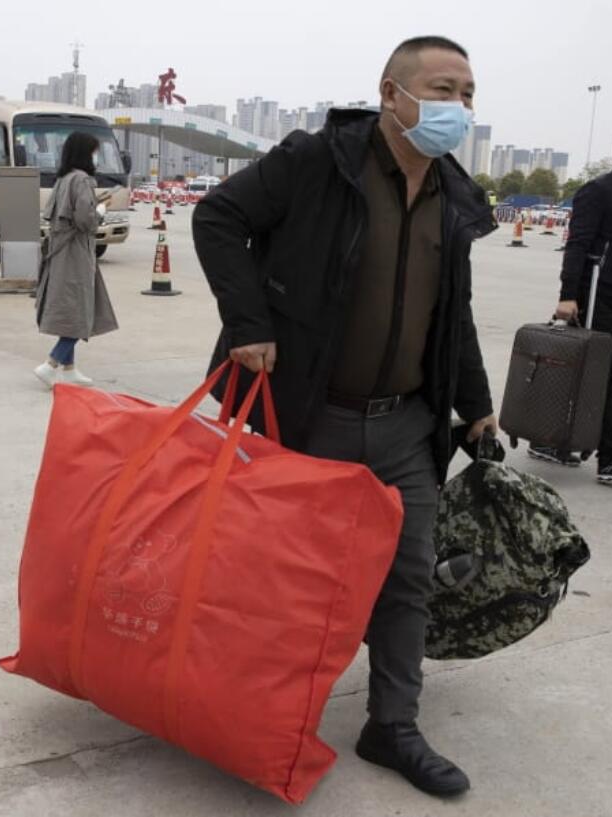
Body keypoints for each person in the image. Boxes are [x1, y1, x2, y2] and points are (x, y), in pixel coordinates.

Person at [193, 36, 497, 797]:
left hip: (405, 423)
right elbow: (218, 217)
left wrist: (477, 404)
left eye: (467, 91)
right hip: (310, 414)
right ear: (392, 94)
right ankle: (262, 718)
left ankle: (391, 724)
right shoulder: (318, 161)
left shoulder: (454, 195)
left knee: (408, 575)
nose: (456, 105)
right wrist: (247, 323)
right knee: (290, 578)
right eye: (441, 87)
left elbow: (449, 312)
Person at [530, 123, 612, 483]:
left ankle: (547, 441)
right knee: (610, 375)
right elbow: (578, 244)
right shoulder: (599, 191)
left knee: (577, 371)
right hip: (591, 295)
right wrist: (568, 294)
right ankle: (610, 459)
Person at [33, 131, 117, 387]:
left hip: (60, 251)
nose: (96, 156)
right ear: (85, 153)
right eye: (94, 151)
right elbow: (86, 221)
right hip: (76, 254)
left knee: (70, 310)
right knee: (81, 311)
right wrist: (101, 210)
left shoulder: (63, 179)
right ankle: (51, 364)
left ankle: (69, 369)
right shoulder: (82, 180)